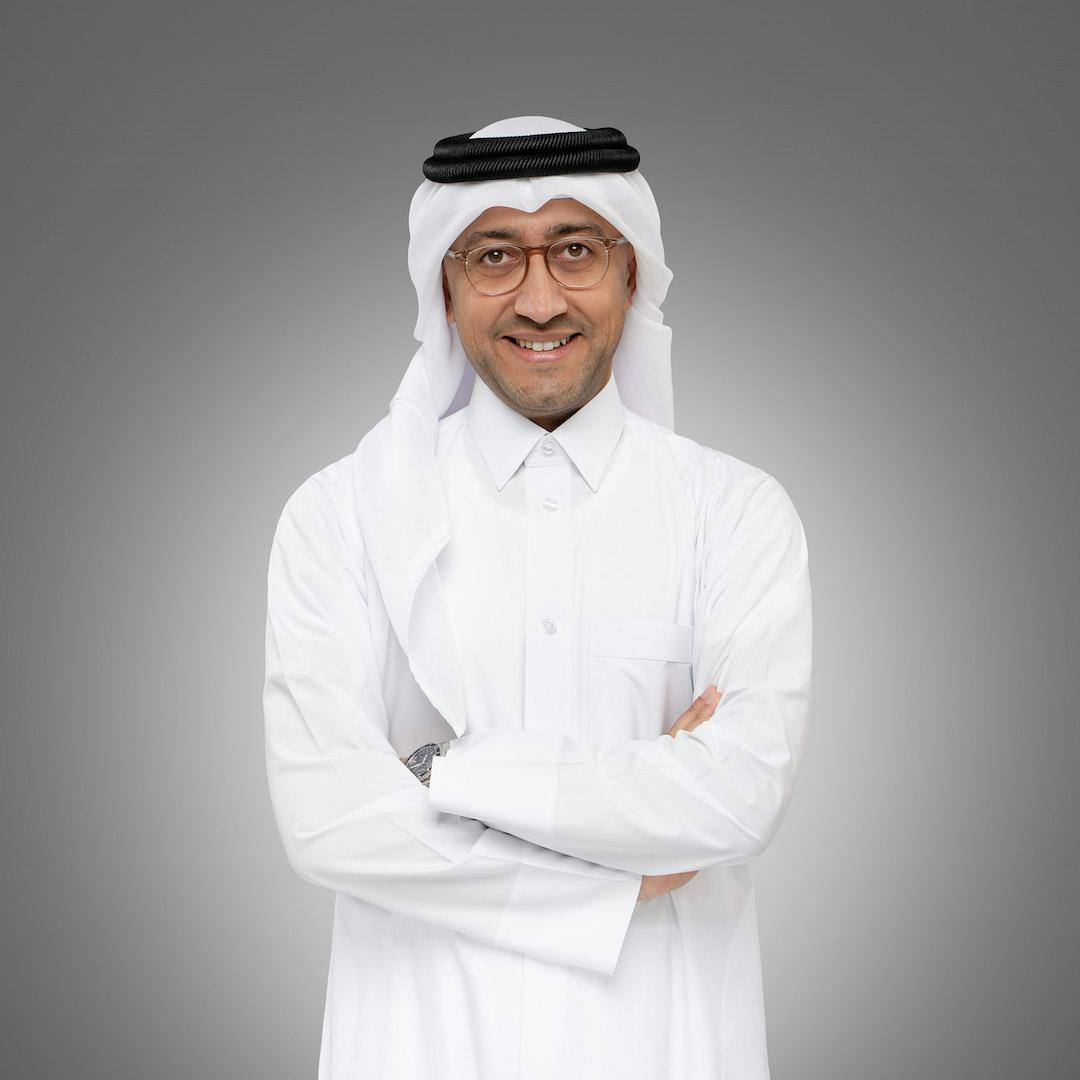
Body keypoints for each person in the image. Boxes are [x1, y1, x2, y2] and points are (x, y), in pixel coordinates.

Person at [263, 115, 813, 1080]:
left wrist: (438, 771)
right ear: (444, 287)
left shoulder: (734, 512)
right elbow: (326, 820)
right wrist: (619, 877)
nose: (541, 298)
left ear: (631, 273)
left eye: (575, 250)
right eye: (494, 257)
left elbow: (737, 800)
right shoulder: (338, 516)